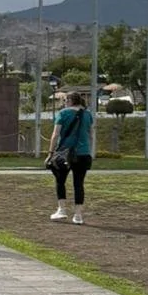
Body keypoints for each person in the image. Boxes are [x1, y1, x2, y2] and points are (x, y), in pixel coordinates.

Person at [47, 92, 94, 224]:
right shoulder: (87, 114)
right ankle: (78, 215)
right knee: (79, 184)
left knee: (60, 181)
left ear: (70, 100)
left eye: (65, 100)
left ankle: (61, 209)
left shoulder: (63, 114)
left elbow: (55, 134)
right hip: (83, 153)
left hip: (64, 153)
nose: (64, 102)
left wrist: (50, 152)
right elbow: (91, 134)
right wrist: (90, 150)